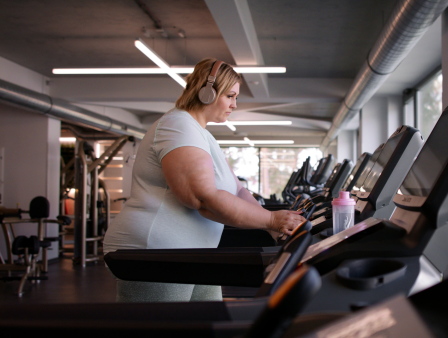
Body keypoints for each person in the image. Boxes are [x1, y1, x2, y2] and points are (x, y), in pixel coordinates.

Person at [103, 58, 306, 302]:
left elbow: (238, 191)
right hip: (157, 250)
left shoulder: (202, 134)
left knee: (205, 323)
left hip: (194, 253)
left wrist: (270, 226)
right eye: (230, 96)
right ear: (208, 92)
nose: (234, 105)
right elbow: (202, 198)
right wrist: (272, 218)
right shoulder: (177, 126)